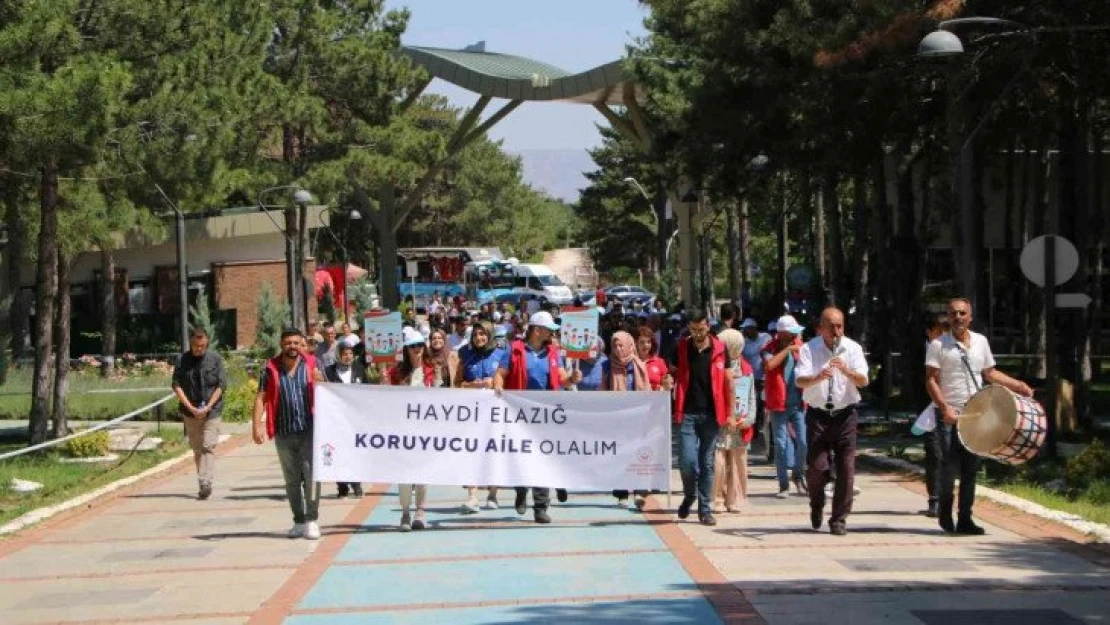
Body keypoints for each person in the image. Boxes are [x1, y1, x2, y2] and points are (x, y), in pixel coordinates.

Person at [926, 298, 1033, 535]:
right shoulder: (938, 345)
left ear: (970, 317)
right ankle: (944, 511)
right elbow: (931, 379)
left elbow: (990, 373)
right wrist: (944, 408)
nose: (958, 317)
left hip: (976, 413)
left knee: (970, 468)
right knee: (949, 465)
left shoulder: (981, 342)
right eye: (953, 314)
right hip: (948, 413)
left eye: (963, 313)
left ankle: (965, 518)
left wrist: (1018, 385)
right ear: (948, 317)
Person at [492, 311, 582, 524]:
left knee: (543, 458)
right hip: (519, 412)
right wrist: (498, 387)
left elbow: (562, 380)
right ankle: (521, 490)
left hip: (546, 413)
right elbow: (500, 374)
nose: (552, 333)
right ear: (537, 330)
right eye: (549, 329)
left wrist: (572, 378)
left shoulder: (553, 352)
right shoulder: (514, 350)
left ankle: (541, 507)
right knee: (521, 456)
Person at [795, 307, 869, 536]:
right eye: (831, 326)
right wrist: (818, 376)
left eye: (840, 326)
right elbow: (800, 380)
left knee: (847, 470)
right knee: (817, 469)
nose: (836, 331)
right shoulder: (809, 348)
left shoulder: (853, 348)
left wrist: (846, 370)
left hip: (845, 415)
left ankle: (839, 519)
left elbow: (863, 381)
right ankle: (816, 504)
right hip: (818, 416)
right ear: (821, 328)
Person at [252, 329, 325, 540]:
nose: (292, 346)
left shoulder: (312, 364)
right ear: (281, 344)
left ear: (301, 343)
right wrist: (257, 426)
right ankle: (298, 521)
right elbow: (260, 398)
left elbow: (329, 393)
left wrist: (320, 381)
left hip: (309, 430)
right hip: (283, 431)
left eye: (296, 342)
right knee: (291, 480)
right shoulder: (270, 368)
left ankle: (312, 520)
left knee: (311, 476)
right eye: (288, 343)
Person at [672, 308, 735, 526]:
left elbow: (728, 382)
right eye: (693, 330)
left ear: (708, 326)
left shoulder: (720, 348)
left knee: (706, 463)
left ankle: (705, 509)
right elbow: (671, 372)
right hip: (687, 412)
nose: (697, 334)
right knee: (687, 462)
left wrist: (730, 414)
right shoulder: (682, 347)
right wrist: (667, 381)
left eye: (700, 329)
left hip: (711, 414)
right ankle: (689, 495)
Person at [387, 328, 439, 531]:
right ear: (406, 350)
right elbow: (386, 399)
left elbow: (440, 397)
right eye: (412, 346)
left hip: (425, 431)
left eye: (419, 345)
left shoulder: (431, 369)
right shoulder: (396, 372)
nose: (417, 349)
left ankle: (420, 510)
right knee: (404, 475)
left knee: (423, 473)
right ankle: (405, 512)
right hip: (403, 431)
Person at [171, 328, 227, 500]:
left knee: (208, 446)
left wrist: (208, 407)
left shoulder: (215, 359)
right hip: (190, 411)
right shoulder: (182, 360)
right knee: (197, 448)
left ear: (207, 343)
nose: (199, 349)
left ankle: (205, 483)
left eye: (202, 346)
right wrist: (191, 408)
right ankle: (203, 480)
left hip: (212, 411)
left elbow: (221, 385)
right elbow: (176, 385)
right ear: (191, 343)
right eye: (196, 346)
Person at [453, 321, 503, 513]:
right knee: (472, 452)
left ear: (490, 335)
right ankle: (472, 497)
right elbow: (457, 383)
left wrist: (494, 382)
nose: (479, 338)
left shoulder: (500, 354)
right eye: (475, 335)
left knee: (493, 452)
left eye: (482, 334)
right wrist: (472, 385)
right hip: (472, 413)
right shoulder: (465, 354)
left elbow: (507, 380)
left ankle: (492, 494)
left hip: (495, 412)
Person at [603, 331, 653, 509]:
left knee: (640, 454)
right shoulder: (608, 365)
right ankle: (621, 493)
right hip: (617, 418)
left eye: (621, 345)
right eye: (615, 345)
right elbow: (603, 390)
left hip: (638, 416)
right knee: (620, 454)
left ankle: (640, 492)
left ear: (629, 345)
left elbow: (646, 390)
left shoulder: (638, 365)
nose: (618, 348)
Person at [762, 314, 808, 498]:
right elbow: (769, 365)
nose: (795, 336)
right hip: (777, 404)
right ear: (782, 334)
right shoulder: (768, 348)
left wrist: (797, 349)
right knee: (781, 445)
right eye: (792, 333)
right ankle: (783, 485)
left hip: (798, 403)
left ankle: (798, 475)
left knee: (803, 443)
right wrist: (788, 350)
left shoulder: (801, 345)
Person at [713, 329, 754, 514]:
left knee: (737, 461)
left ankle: (734, 498)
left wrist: (749, 418)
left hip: (740, 422)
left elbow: (751, 396)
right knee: (719, 460)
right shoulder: (717, 365)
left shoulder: (746, 368)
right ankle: (717, 498)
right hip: (721, 420)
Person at [324, 342, 367, 498]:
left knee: (355, 452)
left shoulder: (359, 370)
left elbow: (368, 391)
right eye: (345, 354)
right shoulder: (329, 372)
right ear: (338, 355)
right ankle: (342, 486)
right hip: (336, 420)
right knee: (339, 453)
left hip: (355, 420)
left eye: (350, 353)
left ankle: (357, 485)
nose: (348, 357)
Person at [921, 314, 950, 518]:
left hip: (952, 407)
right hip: (928, 410)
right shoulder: (920, 353)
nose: (942, 337)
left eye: (945, 333)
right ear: (929, 333)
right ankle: (935, 499)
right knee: (934, 452)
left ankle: (949, 499)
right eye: (938, 333)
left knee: (950, 454)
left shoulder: (952, 351)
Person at [740, 318, 772, 457]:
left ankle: (767, 442)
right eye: (744, 329)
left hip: (764, 379)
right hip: (750, 379)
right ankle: (753, 433)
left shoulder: (766, 337)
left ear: (753, 328)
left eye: (747, 328)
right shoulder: (744, 343)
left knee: (765, 411)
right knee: (753, 406)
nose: (745, 331)